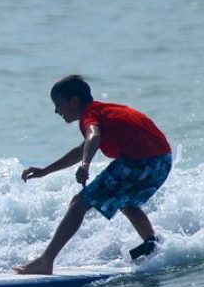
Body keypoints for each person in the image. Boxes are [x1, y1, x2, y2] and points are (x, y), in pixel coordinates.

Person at [15, 74, 171, 275]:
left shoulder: (90, 116)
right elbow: (83, 147)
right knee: (125, 201)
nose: (56, 111)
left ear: (74, 101)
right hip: (163, 160)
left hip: (140, 160)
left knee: (78, 204)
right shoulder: (103, 112)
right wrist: (45, 171)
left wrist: (85, 165)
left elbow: (93, 136)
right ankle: (152, 246)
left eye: (58, 104)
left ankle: (46, 261)